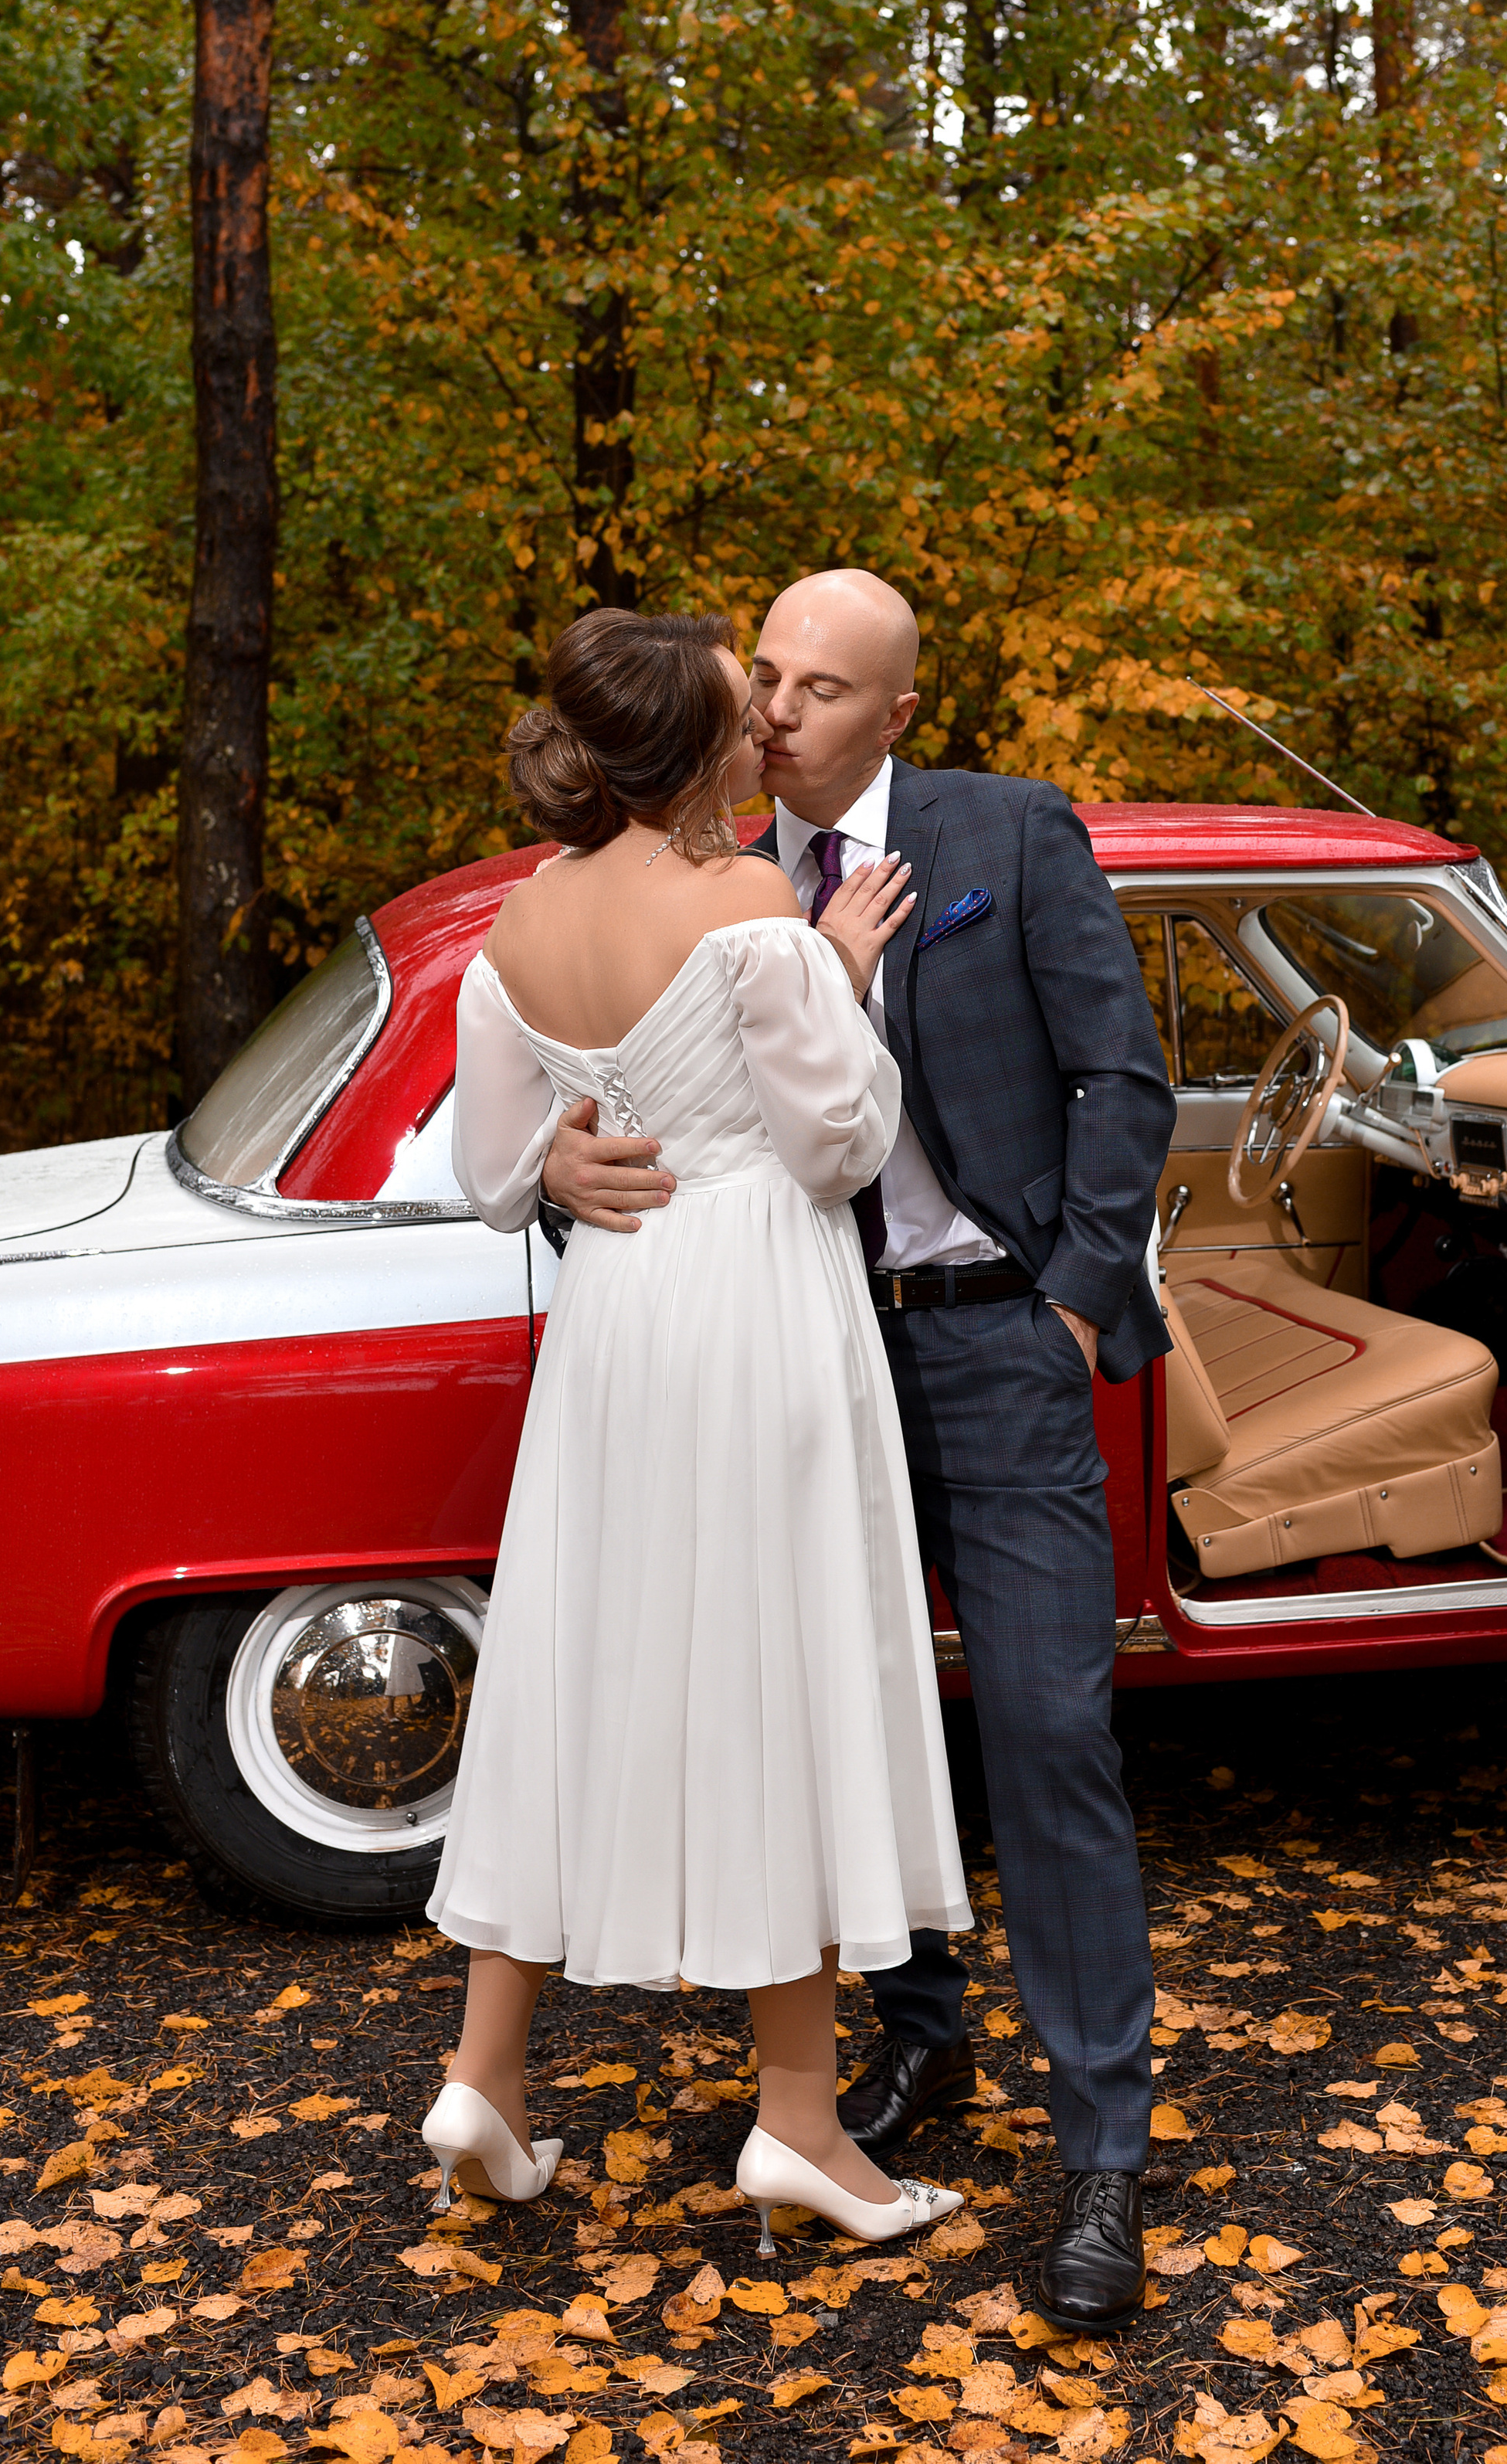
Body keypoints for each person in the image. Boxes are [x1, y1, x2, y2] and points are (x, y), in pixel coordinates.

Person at [540, 570, 1176, 2331]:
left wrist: (1063, 1296)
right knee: (827, 1716)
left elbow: (1123, 1080)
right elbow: (577, 1081)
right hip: (786, 1357)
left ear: (896, 712)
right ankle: (917, 2045)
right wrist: (551, 1176)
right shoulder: (685, 874)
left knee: (1049, 1726)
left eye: (820, 690)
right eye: (767, 681)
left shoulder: (1008, 833)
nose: (775, 716)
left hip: (992, 1342)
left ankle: (1102, 2144)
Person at [422, 606, 972, 2255]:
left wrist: (572, 1167)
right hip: (753, 1302)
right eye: (745, 717)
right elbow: (840, 1146)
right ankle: (799, 2127)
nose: (766, 738)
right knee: (773, 1672)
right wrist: (847, 974)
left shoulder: (522, 917)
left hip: (618, 1322)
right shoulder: (751, 909)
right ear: (687, 758)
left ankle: (483, 2078)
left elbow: (494, 1169)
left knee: (582, 1661)